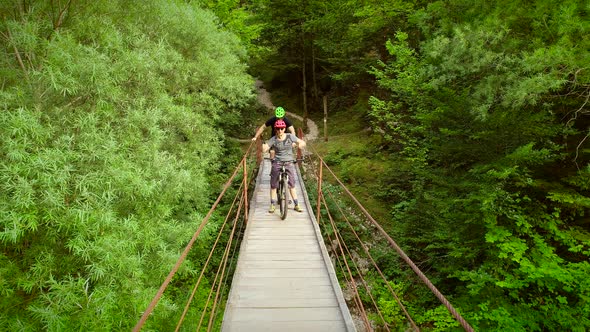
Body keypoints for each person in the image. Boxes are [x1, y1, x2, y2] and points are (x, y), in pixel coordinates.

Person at [262, 119, 306, 213]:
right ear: (275, 129)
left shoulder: (290, 136)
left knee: (292, 185)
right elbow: (266, 147)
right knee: (273, 185)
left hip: (289, 162)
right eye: (278, 129)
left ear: (284, 128)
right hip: (277, 162)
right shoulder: (273, 139)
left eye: (281, 128)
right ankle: (273, 204)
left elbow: (301, 142)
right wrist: (264, 147)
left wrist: (301, 144)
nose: (280, 130)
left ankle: (296, 205)